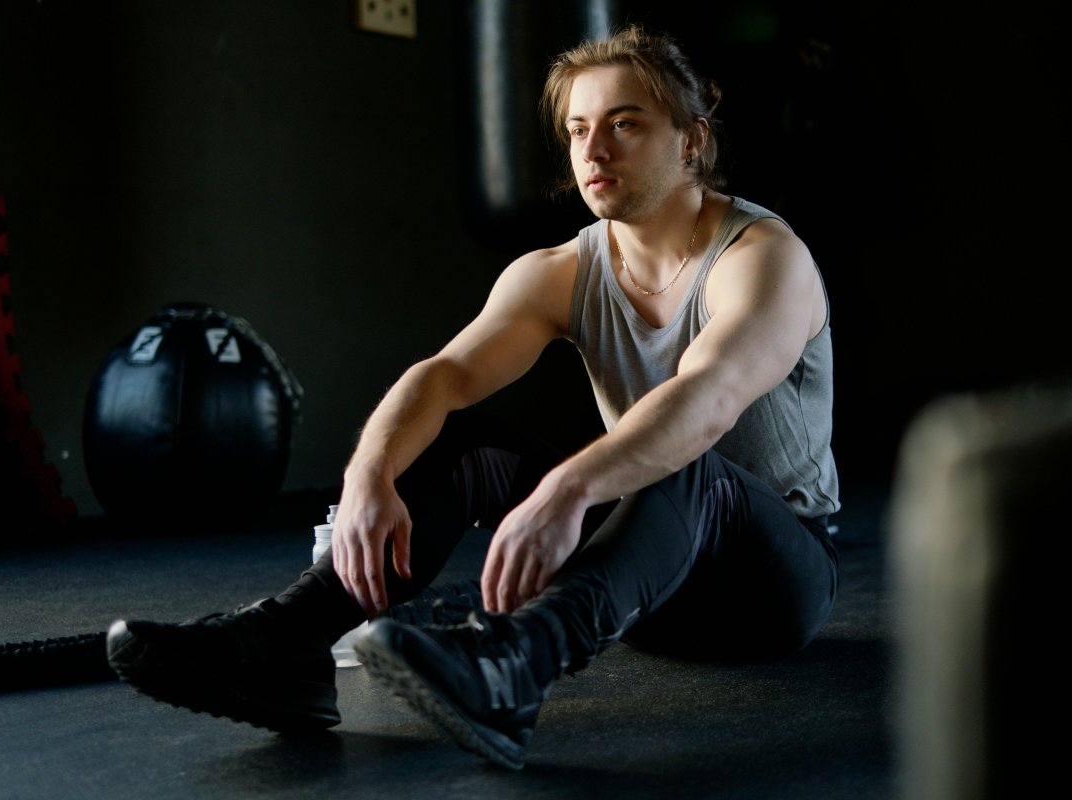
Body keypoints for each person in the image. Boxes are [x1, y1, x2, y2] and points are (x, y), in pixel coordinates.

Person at [105, 24, 840, 771]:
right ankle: (282, 645)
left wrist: (566, 489)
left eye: (625, 124)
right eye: (579, 129)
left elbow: (708, 398)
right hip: (637, 583)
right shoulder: (559, 270)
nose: (593, 150)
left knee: (687, 462)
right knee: (465, 445)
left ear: (691, 140)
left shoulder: (760, 258)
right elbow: (445, 374)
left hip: (769, 589)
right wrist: (370, 476)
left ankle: (511, 671)